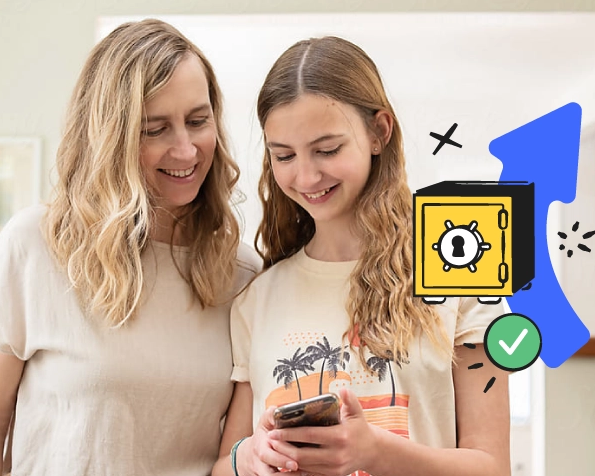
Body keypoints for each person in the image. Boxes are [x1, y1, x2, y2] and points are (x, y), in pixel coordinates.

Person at [0, 19, 259, 476]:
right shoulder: (37, 244)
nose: (187, 149)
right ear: (110, 136)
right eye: (155, 129)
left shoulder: (240, 274)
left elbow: (229, 458)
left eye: (198, 121)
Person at [213, 37, 510, 476]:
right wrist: (249, 458)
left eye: (327, 149)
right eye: (284, 156)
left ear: (379, 133)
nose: (306, 175)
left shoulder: (461, 270)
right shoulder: (258, 298)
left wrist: (377, 452)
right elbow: (223, 465)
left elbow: (492, 467)